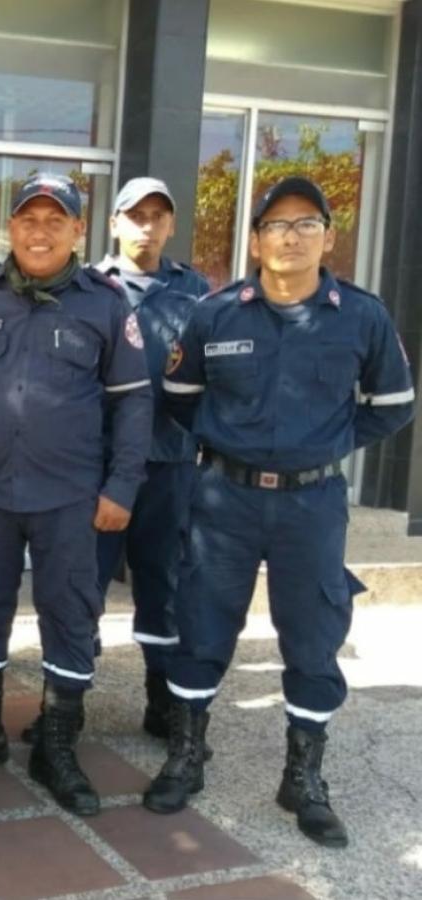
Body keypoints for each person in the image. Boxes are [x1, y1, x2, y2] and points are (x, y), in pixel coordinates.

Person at [145, 176, 415, 849]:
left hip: (312, 504)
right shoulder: (217, 313)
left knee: (313, 634)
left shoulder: (361, 315)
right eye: (276, 226)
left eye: (305, 224)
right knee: (201, 624)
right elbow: (179, 395)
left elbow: (393, 406)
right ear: (255, 240)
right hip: (224, 498)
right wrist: (226, 441)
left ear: (328, 235)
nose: (289, 237)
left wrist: (324, 445)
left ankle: (304, 777)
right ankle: (185, 755)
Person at [0, 173, 152, 816]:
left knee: (70, 616)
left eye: (57, 220)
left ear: (79, 230)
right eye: (28, 219)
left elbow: (134, 406)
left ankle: (56, 743)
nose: (41, 230)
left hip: (71, 498)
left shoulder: (105, 304)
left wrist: (122, 485)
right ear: (10, 229)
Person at [92, 177, 206, 738]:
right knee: (80, 582)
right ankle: (64, 701)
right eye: (135, 214)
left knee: (162, 582)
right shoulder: (88, 286)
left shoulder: (196, 292)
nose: (146, 224)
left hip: (169, 465)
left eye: (157, 215)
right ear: (114, 222)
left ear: (170, 225)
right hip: (98, 465)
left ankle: (162, 699)